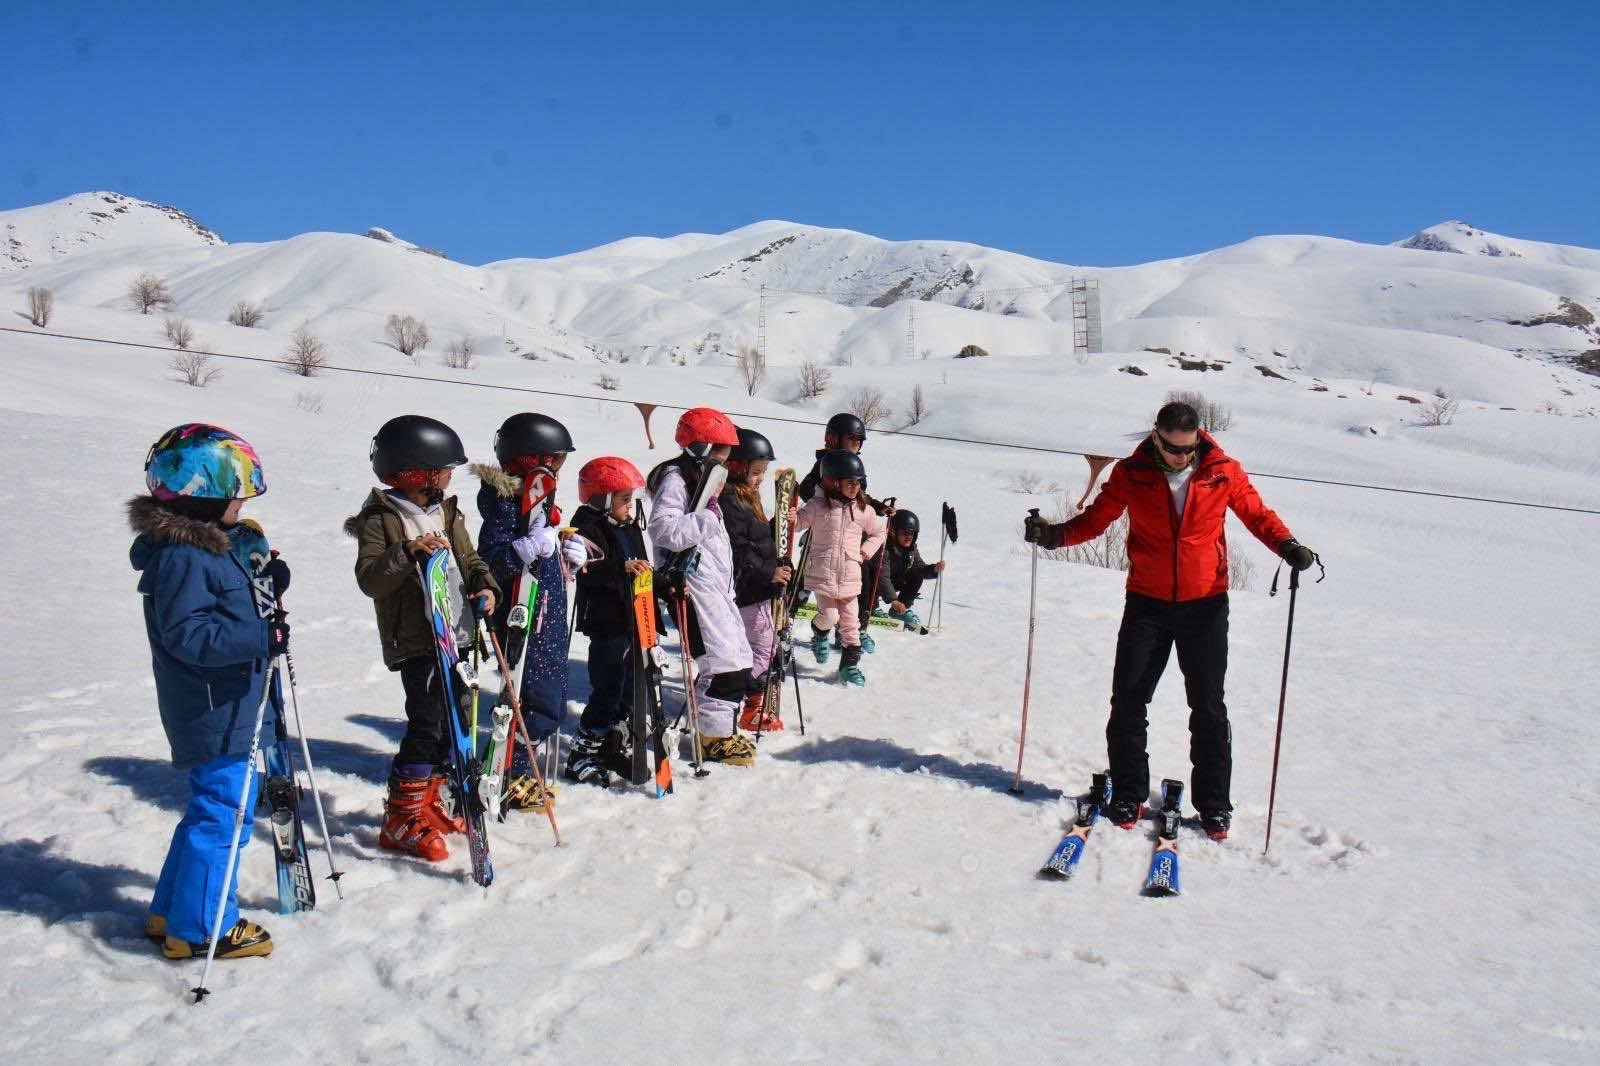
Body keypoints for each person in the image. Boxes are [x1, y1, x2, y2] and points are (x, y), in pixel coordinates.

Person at [1023, 401, 1317, 840]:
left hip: (1206, 605)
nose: (1182, 457)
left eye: (1189, 448)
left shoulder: (1222, 471)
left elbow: (1257, 514)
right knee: (1128, 701)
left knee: (1209, 707)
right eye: (1174, 449)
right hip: (1147, 603)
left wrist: (1287, 545)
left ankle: (1214, 806)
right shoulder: (1131, 473)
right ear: (1156, 437)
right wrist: (1054, 535)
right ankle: (1129, 793)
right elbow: (1096, 520)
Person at [130, 423, 279, 960]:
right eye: (237, 494)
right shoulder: (183, 557)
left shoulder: (210, 548)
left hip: (229, 702)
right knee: (225, 815)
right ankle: (200, 929)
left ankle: (172, 912)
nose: (243, 504)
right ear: (205, 495)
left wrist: (269, 582)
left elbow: (228, 602)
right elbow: (189, 635)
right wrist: (261, 637)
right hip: (213, 707)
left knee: (211, 810)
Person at [346, 415, 498, 862]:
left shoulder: (445, 510)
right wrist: (406, 551)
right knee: (427, 722)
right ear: (418, 472)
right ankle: (402, 815)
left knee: (454, 723)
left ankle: (429, 801)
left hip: (458, 632)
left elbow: (469, 560)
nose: (451, 476)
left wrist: (485, 585)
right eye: (445, 469)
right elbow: (371, 579)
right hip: (417, 638)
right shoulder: (382, 518)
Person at [471, 413, 584, 811]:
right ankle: (512, 773)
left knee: (549, 690)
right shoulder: (504, 502)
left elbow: (541, 553)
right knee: (531, 694)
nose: (559, 469)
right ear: (533, 459)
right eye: (556, 460)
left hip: (546, 613)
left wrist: (564, 559)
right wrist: (526, 549)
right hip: (524, 617)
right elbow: (492, 559)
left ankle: (520, 768)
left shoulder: (538, 500)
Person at [646, 407, 757, 765]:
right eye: (721, 451)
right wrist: (707, 517)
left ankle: (720, 729)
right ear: (703, 447)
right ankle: (712, 738)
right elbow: (664, 530)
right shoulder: (677, 479)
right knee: (721, 663)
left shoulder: (702, 480)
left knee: (737, 659)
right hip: (694, 588)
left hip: (715, 589)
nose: (726, 459)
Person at [566, 456, 652, 786]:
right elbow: (586, 571)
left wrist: (661, 584)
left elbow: (641, 564)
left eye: (631, 499)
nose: (630, 506)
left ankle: (613, 742)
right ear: (602, 499)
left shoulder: (628, 526)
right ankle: (582, 753)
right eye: (624, 499)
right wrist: (621, 567)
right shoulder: (586, 528)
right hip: (607, 622)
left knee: (631, 687)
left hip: (634, 618)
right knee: (608, 687)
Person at [719, 427, 795, 731]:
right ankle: (747, 707)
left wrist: (779, 524)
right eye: (756, 472)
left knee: (755, 648)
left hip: (756, 589)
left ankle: (733, 700)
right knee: (762, 650)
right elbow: (737, 551)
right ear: (737, 468)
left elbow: (757, 539)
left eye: (763, 472)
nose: (761, 478)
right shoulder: (730, 501)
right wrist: (768, 572)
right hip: (749, 590)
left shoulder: (745, 497)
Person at [798, 412, 892, 653]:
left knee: (863, 579)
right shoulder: (825, 463)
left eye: (859, 441)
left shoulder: (854, 464)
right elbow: (807, 488)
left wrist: (877, 507)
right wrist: (825, 505)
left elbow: (861, 497)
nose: (856, 444)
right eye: (851, 439)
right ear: (834, 438)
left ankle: (854, 630)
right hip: (825, 532)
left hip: (850, 536)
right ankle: (809, 621)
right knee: (816, 582)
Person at [795, 449, 887, 687]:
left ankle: (849, 667)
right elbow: (799, 523)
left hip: (850, 576)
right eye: (850, 482)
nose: (855, 487)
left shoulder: (863, 510)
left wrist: (865, 551)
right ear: (833, 481)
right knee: (829, 616)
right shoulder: (817, 506)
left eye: (858, 482)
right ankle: (819, 630)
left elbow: (879, 532)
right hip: (823, 575)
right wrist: (791, 516)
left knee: (851, 625)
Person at [874, 509, 945, 629]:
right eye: (904, 533)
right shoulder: (884, 549)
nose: (908, 537)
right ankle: (871, 608)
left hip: (893, 581)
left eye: (911, 533)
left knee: (917, 575)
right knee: (872, 578)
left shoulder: (911, 549)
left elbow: (919, 568)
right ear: (893, 532)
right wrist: (893, 600)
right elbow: (882, 577)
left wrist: (934, 569)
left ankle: (899, 611)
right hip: (876, 584)